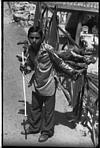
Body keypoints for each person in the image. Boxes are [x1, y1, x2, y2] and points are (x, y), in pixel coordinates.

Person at [18, 25, 83, 142]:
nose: (34, 40)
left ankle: (46, 131)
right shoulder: (30, 50)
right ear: (28, 38)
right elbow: (31, 65)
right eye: (31, 38)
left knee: (48, 112)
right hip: (37, 83)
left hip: (49, 84)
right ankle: (34, 127)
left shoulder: (48, 49)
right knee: (35, 108)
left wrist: (73, 72)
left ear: (42, 38)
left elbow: (60, 62)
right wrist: (25, 67)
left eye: (37, 38)